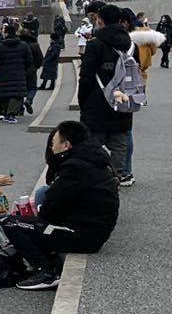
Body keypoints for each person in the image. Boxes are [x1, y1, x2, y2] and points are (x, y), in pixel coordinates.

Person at [8, 121, 120, 290]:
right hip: (92, 229)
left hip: (84, 236)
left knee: (12, 223)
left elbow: (51, 205)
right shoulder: (92, 158)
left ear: (66, 145)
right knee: (32, 216)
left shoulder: (75, 167)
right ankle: (49, 264)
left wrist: (35, 219)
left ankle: (47, 272)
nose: (51, 149)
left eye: (53, 144)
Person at [77, 3, 133, 187]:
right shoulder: (131, 45)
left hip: (96, 103)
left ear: (100, 20)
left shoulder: (95, 45)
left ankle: (93, 180)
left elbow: (85, 77)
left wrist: (82, 101)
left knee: (91, 146)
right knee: (119, 146)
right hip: (122, 103)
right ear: (119, 20)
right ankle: (115, 180)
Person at [0, 24, 31, 123]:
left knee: (5, 94)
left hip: (3, 74)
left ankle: (6, 113)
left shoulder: (0, 46)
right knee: (16, 95)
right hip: (19, 74)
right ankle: (11, 114)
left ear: (6, 33)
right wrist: (23, 69)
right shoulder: (23, 45)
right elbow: (29, 60)